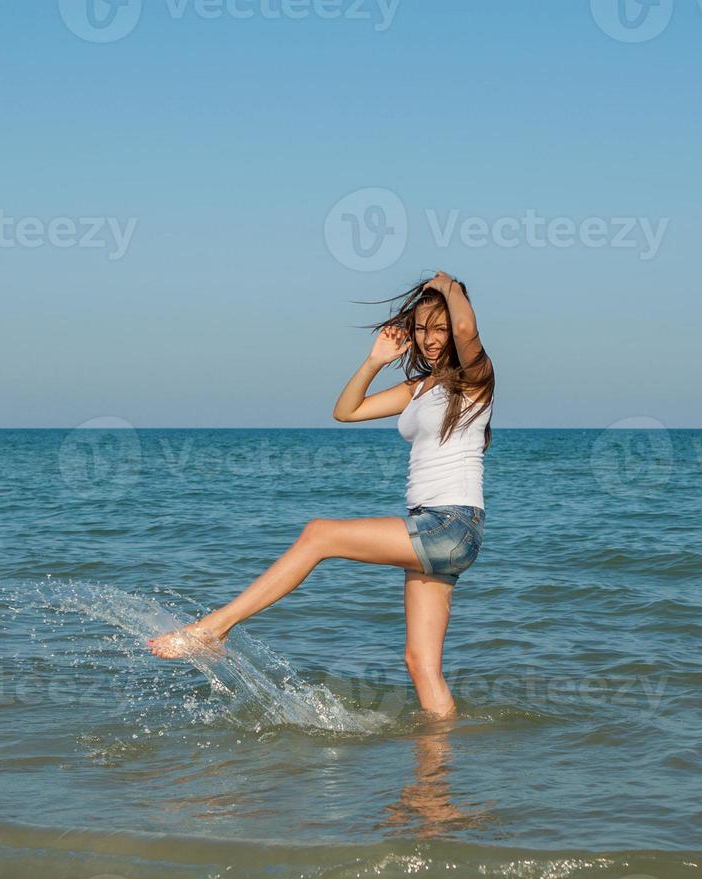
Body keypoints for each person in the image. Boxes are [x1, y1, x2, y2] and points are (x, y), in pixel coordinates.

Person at [149, 272, 496, 717]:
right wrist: (374, 361)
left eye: (440, 328)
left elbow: (468, 329)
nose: (430, 339)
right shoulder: (418, 389)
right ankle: (437, 770)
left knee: (319, 534)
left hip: (450, 525)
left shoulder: (475, 377)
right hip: (435, 528)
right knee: (420, 664)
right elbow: (346, 411)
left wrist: (450, 286)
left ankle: (215, 629)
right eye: (422, 328)